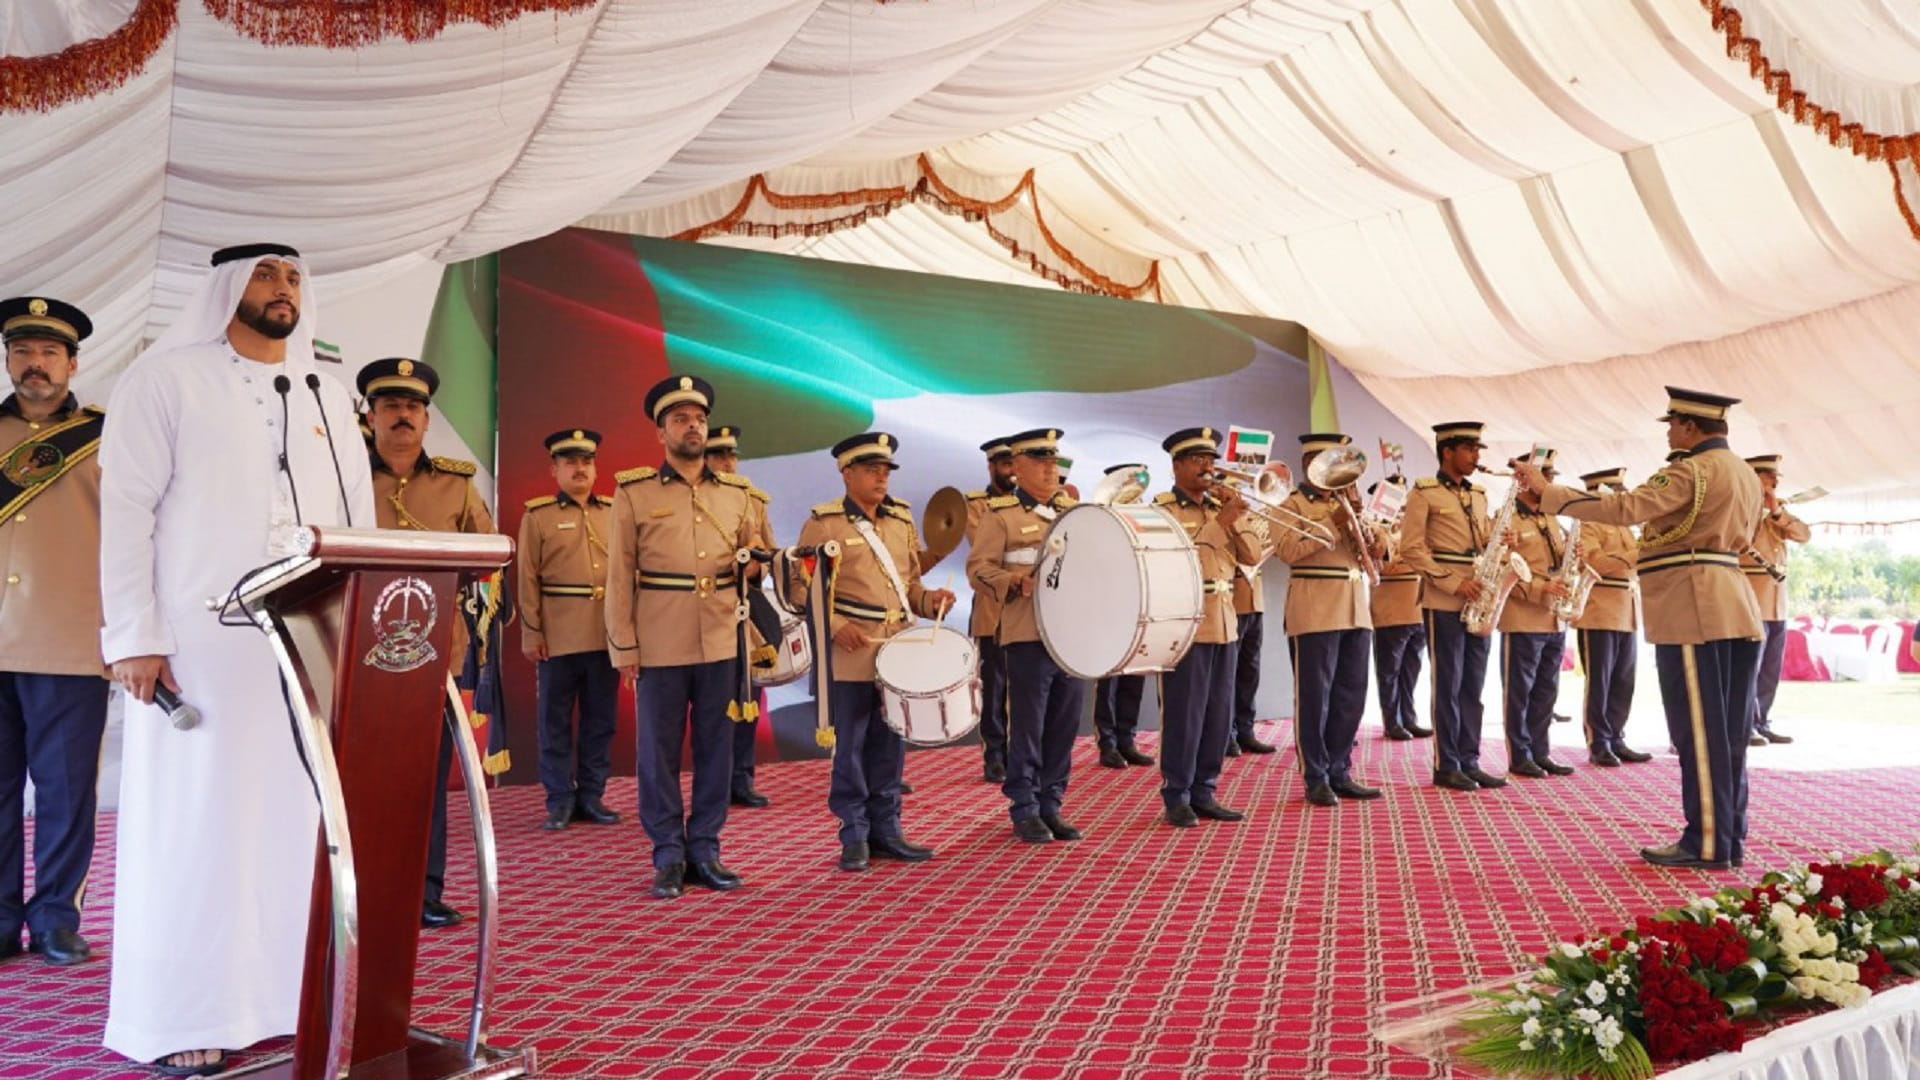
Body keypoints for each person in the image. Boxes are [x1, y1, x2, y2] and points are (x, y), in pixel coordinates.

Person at [101, 243, 375, 1076]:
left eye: (293, 276)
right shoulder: (165, 380)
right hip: (199, 641)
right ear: (225, 288)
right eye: (265, 274)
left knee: (298, 820)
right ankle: (185, 1011)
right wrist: (134, 635)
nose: (283, 289)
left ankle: (285, 998)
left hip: (310, 640)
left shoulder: (325, 389)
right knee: (198, 822)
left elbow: (359, 519)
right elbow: (126, 510)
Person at [1513, 387, 1764, 869]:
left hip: (1695, 606)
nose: (1669, 431)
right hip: (1732, 601)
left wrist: (1549, 494)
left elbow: (1625, 509)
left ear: (1690, 427)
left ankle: (1706, 842)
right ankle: (1728, 837)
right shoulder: (1745, 473)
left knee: (1699, 731)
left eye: (1672, 424)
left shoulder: (1692, 470)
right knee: (1729, 733)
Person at [604, 375, 757, 899]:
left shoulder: (739, 495)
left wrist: (762, 569)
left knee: (719, 749)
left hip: (720, 636)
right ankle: (668, 852)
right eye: (679, 419)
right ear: (660, 432)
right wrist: (624, 646)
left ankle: (706, 848)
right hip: (660, 638)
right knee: (658, 752)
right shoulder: (633, 492)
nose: (692, 426)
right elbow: (619, 575)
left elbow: (753, 559)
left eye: (698, 418)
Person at [361, 357, 497, 929]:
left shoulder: (456, 482)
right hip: (355, 652)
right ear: (369, 416)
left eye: (413, 407)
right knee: (359, 778)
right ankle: (360, 891)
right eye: (390, 405)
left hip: (435, 651)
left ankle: (425, 890)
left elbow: (492, 553)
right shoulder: (341, 474)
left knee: (424, 778)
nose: (403, 416)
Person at [0, 296, 108, 968]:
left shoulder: (109, 437)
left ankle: (55, 917)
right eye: (22, 351)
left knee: (67, 791)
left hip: (69, 635)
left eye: (48, 352)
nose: (34, 365)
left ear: (72, 362)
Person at [795, 433, 954, 870]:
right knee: (850, 746)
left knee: (889, 744)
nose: (881, 476)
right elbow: (798, 588)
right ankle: (854, 834)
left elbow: (908, 587)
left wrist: (930, 600)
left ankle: (887, 830)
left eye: (885, 470)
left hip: (895, 650)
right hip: (850, 651)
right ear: (846, 473)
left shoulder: (900, 520)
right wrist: (834, 626)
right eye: (871, 469)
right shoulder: (823, 524)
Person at [968, 428, 1086, 843]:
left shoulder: (1073, 513)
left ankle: (1052, 803)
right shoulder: (1000, 516)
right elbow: (977, 569)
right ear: (1016, 468)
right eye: (1040, 461)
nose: (1050, 468)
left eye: (1054, 461)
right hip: (1027, 634)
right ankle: (1024, 806)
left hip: (1071, 634)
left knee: (1063, 725)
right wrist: (1013, 580)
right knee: (1029, 725)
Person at [1151, 428, 1261, 828]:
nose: (1207, 467)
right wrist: (1221, 524)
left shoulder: (1221, 507)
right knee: (1185, 711)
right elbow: (1182, 561)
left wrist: (1235, 518)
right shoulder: (1162, 510)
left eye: (1211, 460)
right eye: (1197, 460)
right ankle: (1176, 793)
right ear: (1177, 465)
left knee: (1218, 711)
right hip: (1188, 618)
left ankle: (1205, 789)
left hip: (1226, 618)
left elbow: (1252, 555)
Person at [1271, 433, 1386, 805]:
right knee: (1315, 697)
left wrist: (1371, 534)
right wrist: (1335, 525)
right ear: (1309, 464)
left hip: (1356, 607)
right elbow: (1288, 551)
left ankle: (1340, 769)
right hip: (1314, 607)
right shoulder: (1291, 503)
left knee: (1351, 696)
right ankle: (1315, 775)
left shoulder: (1350, 500)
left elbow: (1381, 550)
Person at [519, 428, 622, 831]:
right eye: (570, 462)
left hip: (604, 633)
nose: (580, 469)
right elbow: (527, 579)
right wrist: (532, 632)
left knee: (601, 719)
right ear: (554, 470)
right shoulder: (538, 515)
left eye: (586, 461)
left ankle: (592, 795)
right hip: (558, 634)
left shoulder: (614, 511)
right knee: (555, 720)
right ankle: (559, 798)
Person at [1398, 422, 1508, 793]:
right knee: (1448, 683)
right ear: (1447, 452)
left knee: (1474, 684)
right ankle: (1447, 764)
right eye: (1470, 449)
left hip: (1479, 595)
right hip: (1444, 597)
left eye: (1477, 449)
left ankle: (1470, 759)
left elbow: (1479, 542)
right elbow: (1411, 549)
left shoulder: (1478, 493)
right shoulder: (1423, 493)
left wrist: (1497, 538)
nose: (1477, 456)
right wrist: (1452, 581)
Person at [705, 423, 777, 807]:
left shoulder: (753, 499)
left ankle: (742, 777)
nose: (728, 462)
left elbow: (769, 552)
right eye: (718, 455)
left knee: (748, 695)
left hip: (745, 611)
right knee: (711, 702)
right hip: (704, 610)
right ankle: (714, 778)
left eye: (731, 454)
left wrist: (757, 566)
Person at [1498, 452, 1575, 779]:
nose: (1550, 483)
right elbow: (1503, 569)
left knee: (1547, 688)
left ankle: (1540, 751)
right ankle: (1520, 754)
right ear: (1523, 479)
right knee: (1520, 690)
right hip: (1523, 615)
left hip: (1554, 617)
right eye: (1543, 475)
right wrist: (1542, 588)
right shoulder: (1505, 520)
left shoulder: (1553, 518)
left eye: (1551, 476)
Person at [1571, 468, 1650, 766]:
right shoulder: (1589, 524)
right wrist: (1636, 553)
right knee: (1600, 681)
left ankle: (1617, 736)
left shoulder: (1623, 527)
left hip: (1627, 608)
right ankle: (1599, 740)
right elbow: (1595, 562)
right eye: (1616, 492)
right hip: (1599, 608)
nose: (1621, 497)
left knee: (1623, 679)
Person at [1742, 454, 1808, 747]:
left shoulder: (1776, 514)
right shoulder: (1741, 509)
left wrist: (1776, 510)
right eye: (1770, 478)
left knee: (1769, 669)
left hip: (1776, 603)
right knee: (1748, 668)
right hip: (1751, 599)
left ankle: (1762, 720)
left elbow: (1803, 534)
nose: (1775, 484)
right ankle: (1745, 724)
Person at [1092, 463, 1155, 770]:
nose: (1133, 489)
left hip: (1139, 601)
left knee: (1135, 676)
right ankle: (1107, 743)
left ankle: (1127, 738)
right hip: (1108, 603)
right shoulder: (1100, 513)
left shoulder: (1144, 513)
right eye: (1126, 482)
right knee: (1109, 680)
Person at [966, 436, 1016, 782]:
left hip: (1030, 614)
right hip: (992, 611)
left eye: (1015, 464)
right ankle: (994, 755)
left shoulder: (1039, 504)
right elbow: (983, 549)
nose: (1011, 471)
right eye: (1005, 465)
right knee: (994, 686)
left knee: (1025, 688)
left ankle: (1021, 751)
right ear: (992, 467)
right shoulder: (977, 505)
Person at [1368, 477, 1430, 740]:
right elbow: (1383, 565)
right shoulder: (1373, 526)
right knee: (1389, 671)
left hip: (1417, 607)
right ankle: (1392, 721)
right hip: (1390, 609)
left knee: (1411, 670)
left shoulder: (1416, 527)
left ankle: (1409, 717)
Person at [1227, 486, 1278, 758]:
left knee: (1249, 671)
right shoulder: (1221, 517)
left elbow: (1258, 552)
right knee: (1227, 674)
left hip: (1253, 601)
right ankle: (1226, 733)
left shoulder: (1250, 517)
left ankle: (1245, 729)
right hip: (1229, 600)